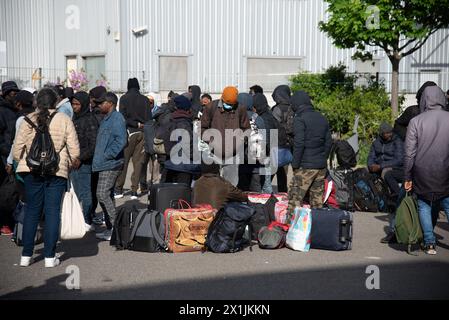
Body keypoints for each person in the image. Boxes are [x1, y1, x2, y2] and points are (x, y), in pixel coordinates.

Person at [13, 88, 80, 268]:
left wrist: (23, 161)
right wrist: (72, 160)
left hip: (31, 170)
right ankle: (50, 257)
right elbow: (75, 150)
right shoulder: (64, 119)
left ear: (37, 102)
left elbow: (17, 150)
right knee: (52, 212)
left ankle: (26, 256)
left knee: (32, 211)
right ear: (55, 102)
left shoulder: (28, 120)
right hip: (56, 170)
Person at [404, 85, 449, 256]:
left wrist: (407, 176)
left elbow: (409, 153)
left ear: (424, 100)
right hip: (446, 171)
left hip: (422, 171)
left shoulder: (416, 121)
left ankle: (429, 243)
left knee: (423, 206)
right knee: (447, 204)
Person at [287, 91, 332, 218]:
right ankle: (317, 229)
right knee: (317, 203)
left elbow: (299, 143)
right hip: (321, 166)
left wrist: (295, 164)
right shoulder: (322, 118)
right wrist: (323, 158)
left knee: (295, 200)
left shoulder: (299, 119)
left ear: (296, 104)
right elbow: (328, 142)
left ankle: (290, 231)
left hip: (305, 166)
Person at [92, 92, 127, 242]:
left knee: (102, 194)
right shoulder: (106, 118)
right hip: (103, 163)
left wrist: (108, 155)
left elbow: (121, 141)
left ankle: (116, 228)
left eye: (102, 103)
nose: (99, 105)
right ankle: (110, 228)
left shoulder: (117, 118)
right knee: (107, 195)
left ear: (110, 104)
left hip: (111, 163)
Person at [201, 86, 250, 187]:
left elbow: (246, 129)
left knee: (231, 186)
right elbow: (202, 128)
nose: (229, 106)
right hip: (214, 154)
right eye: (226, 104)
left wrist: (239, 142)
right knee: (212, 185)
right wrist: (211, 141)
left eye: (231, 105)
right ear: (221, 99)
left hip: (232, 155)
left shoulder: (240, 109)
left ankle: (230, 202)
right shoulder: (211, 107)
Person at [115, 78, 150, 200]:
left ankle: (119, 189)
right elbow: (149, 118)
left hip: (129, 132)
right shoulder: (145, 100)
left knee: (124, 161)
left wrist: (134, 124)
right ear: (138, 86)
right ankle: (134, 191)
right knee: (138, 163)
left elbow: (122, 117)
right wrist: (141, 124)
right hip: (143, 133)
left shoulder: (124, 98)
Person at [70, 91, 99, 232]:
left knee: (86, 193)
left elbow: (93, 144)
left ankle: (88, 220)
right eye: (73, 103)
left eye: (77, 104)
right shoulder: (75, 118)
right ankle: (78, 219)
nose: (74, 106)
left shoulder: (90, 120)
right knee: (75, 193)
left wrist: (81, 158)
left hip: (84, 163)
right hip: (73, 163)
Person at [160, 95, 198, 185]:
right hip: (183, 165)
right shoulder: (184, 122)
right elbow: (188, 144)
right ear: (187, 108)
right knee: (182, 193)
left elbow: (160, 138)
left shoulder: (168, 119)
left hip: (168, 162)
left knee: (168, 191)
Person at [252, 93, 280, 194]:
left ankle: (268, 206)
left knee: (265, 184)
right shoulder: (271, 116)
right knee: (266, 183)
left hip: (265, 154)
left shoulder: (261, 119)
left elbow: (265, 138)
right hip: (272, 152)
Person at [368, 122, 404, 197]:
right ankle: (372, 196)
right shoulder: (376, 143)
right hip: (379, 166)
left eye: (390, 132)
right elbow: (371, 156)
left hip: (394, 167)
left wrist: (381, 166)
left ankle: (387, 195)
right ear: (381, 134)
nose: (389, 134)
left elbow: (399, 160)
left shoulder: (397, 141)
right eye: (387, 133)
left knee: (385, 171)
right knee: (364, 171)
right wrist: (370, 166)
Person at [88, 86, 107, 226]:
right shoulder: (108, 114)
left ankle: (95, 214)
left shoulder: (96, 115)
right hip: (102, 157)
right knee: (102, 190)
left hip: (97, 157)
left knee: (97, 189)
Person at [271, 85, 294, 193]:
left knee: (274, 170)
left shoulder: (277, 109)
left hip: (278, 145)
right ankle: (284, 193)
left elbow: (273, 126)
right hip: (291, 144)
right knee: (284, 173)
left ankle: (266, 194)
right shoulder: (293, 107)